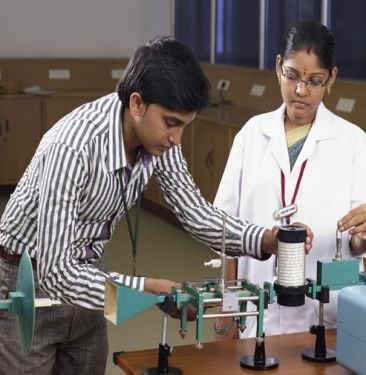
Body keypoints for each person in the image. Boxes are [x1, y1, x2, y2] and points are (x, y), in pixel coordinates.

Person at [0, 36, 313, 374]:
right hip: (29, 283)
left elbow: (195, 211)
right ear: (137, 104)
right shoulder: (72, 148)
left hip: (90, 278)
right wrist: (146, 289)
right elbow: (55, 271)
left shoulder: (158, 139)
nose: (177, 139)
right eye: (171, 123)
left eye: (184, 126)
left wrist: (264, 238)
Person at [213, 20, 366, 341]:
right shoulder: (252, 135)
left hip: (327, 318)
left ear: (332, 78)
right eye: (293, 76)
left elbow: (357, 241)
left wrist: (363, 238)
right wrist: (226, 315)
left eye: (315, 81)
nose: (301, 90)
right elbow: (225, 231)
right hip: (255, 313)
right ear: (278, 66)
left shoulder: (353, 143)